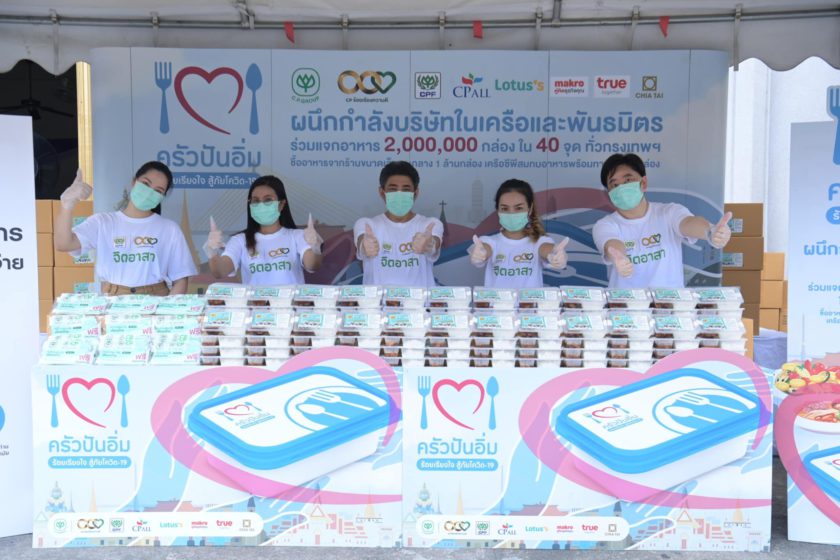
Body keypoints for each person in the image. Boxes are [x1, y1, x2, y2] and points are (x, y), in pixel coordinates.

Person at [54, 161, 196, 295]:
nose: (149, 192)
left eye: (158, 191)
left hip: (156, 300)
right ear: (134, 182)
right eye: (146, 184)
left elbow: (181, 280)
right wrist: (67, 204)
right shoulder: (103, 222)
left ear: (162, 197)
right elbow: (63, 244)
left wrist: (168, 309)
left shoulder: (170, 229)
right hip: (113, 299)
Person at [592, 153, 732, 289]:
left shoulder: (669, 212)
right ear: (609, 193)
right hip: (625, 303)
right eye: (615, 185)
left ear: (643, 183)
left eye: (628, 180)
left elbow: (688, 223)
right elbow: (611, 244)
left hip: (670, 303)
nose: (622, 188)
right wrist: (619, 258)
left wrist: (710, 231)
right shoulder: (605, 225)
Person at [204, 175, 323, 285]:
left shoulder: (297, 236)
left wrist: (315, 248)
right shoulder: (239, 240)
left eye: (268, 200)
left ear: (281, 204)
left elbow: (312, 265)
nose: (261, 205)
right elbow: (220, 271)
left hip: (290, 302)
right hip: (254, 302)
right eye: (256, 201)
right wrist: (212, 253)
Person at [352, 161, 443, 287]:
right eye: (393, 189)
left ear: (416, 193)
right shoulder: (367, 225)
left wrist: (429, 245)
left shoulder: (430, 224)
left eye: (406, 189)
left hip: (420, 300)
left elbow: (434, 243)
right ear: (382, 192)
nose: (399, 194)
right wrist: (364, 247)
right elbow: (361, 242)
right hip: (377, 300)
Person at [467, 179, 569, 288]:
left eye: (519, 208)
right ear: (498, 210)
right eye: (504, 208)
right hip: (496, 300)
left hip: (530, 300)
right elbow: (484, 249)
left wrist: (555, 254)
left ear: (530, 209)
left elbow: (546, 249)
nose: (511, 213)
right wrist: (478, 253)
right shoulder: (490, 241)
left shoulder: (539, 242)